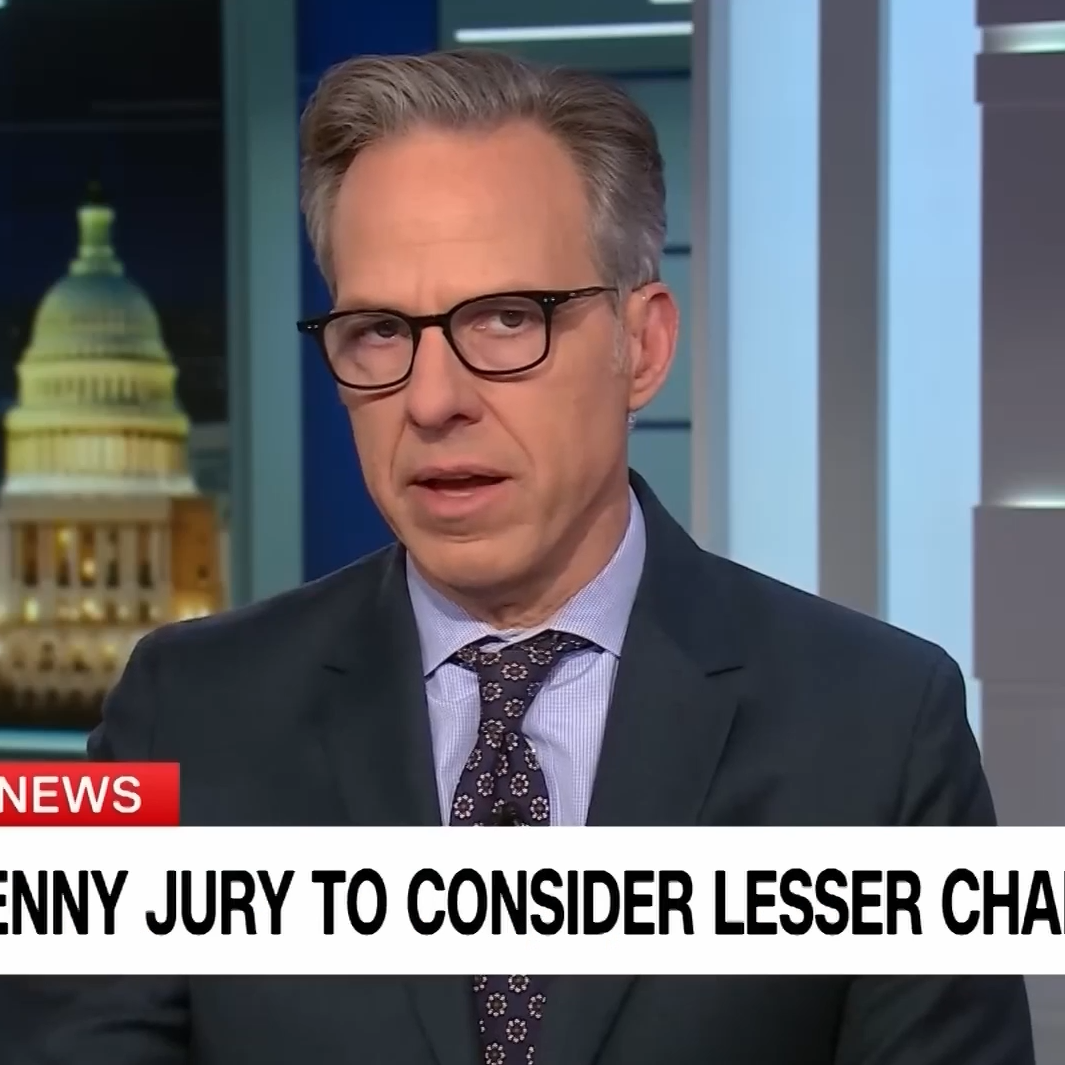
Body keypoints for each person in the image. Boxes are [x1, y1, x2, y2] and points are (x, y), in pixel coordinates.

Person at [21, 48, 1032, 1065]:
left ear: (642, 347)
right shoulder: (176, 713)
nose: (431, 400)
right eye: (379, 331)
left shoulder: (880, 727)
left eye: (507, 319)